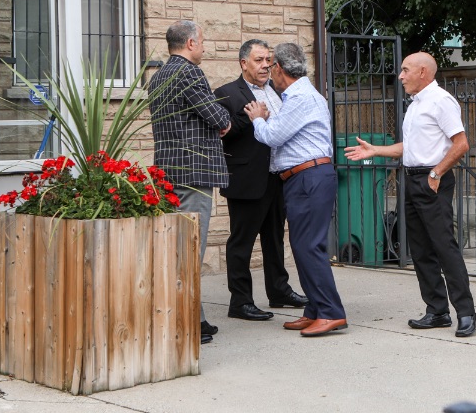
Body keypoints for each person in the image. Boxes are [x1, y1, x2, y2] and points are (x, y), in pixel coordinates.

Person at [344, 52, 476, 337]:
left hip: (433, 180)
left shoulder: (441, 101)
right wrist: (375, 150)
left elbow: (461, 144)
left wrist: (436, 173)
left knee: (444, 246)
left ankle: (466, 313)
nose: (401, 76)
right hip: (412, 179)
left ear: (422, 72)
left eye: (406, 70)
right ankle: (437, 311)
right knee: (419, 249)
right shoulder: (416, 104)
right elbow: (411, 147)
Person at [243, 42, 347, 337]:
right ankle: (315, 309)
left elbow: (273, 136)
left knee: (309, 247)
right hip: (305, 177)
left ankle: (330, 312)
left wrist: (258, 118)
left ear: (279, 68)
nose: (268, 71)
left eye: (270, 65)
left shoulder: (300, 97)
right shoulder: (299, 95)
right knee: (303, 247)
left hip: (308, 177)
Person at [148, 20, 232, 346]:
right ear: (191, 43)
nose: (204, 47)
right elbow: (218, 118)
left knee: (177, 248)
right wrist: (224, 121)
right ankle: (187, 323)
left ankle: (195, 317)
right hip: (193, 176)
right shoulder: (189, 73)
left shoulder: (158, 76)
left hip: (168, 173)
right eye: (203, 41)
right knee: (190, 250)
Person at [214, 39, 308, 322]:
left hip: (278, 177)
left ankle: (279, 290)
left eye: (268, 60)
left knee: (275, 238)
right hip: (246, 179)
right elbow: (223, 132)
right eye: (259, 60)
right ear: (244, 63)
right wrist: (253, 118)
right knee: (241, 242)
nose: (266, 65)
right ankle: (240, 301)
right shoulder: (226, 93)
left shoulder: (279, 91)